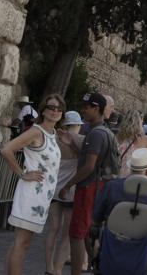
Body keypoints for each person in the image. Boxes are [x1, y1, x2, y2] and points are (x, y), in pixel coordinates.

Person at [1, 94, 65, 275]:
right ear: (43, 109)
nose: (55, 111)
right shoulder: (36, 131)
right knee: (23, 243)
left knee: (19, 243)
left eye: (59, 109)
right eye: (51, 107)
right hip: (31, 195)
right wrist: (23, 173)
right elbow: (7, 150)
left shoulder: (52, 134)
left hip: (41, 199)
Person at [92, 148, 147, 274]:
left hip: (110, 254)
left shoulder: (111, 187)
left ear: (131, 168)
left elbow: (96, 218)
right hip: (139, 259)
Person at [58, 92, 113, 275]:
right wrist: (71, 143)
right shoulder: (102, 131)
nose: (84, 111)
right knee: (88, 233)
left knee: (77, 235)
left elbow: (88, 167)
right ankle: (98, 268)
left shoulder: (96, 133)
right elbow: (89, 159)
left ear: (96, 109)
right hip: (96, 187)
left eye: (87, 107)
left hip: (88, 187)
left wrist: (68, 185)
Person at [45, 111, 83, 275]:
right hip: (69, 191)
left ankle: (49, 268)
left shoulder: (55, 139)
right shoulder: (76, 141)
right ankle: (58, 270)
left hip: (53, 190)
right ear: (77, 125)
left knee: (53, 229)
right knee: (67, 235)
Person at [117, 110, 147, 177]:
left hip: (118, 176)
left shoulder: (117, 136)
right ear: (139, 123)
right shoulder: (144, 140)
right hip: (133, 178)